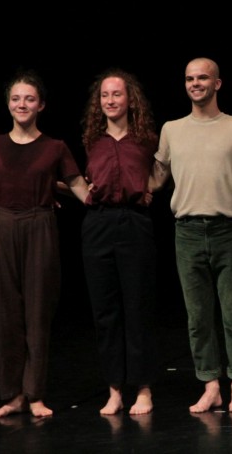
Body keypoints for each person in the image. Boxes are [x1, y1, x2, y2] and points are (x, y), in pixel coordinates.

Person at [149, 57, 232, 413]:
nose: (195, 83)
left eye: (202, 78)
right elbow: (156, 180)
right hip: (187, 232)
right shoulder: (172, 129)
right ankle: (210, 385)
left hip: (229, 231)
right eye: (189, 78)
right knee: (198, 317)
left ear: (217, 83)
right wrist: (109, 185)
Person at [0, 69, 90, 418]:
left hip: (39, 225)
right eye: (16, 98)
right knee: (4, 311)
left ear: (41, 105)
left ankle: (34, 393)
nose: (22, 104)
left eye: (29, 99)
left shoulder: (55, 147)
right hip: (0, 225)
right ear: (8, 103)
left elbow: (80, 188)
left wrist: (116, 195)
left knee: (38, 309)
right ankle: (12, 395)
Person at [79, 68, 158, 415]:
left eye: (117, 94)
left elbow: (160, 171)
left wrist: (149, 187)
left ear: (130, 99)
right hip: (98, 224)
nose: (110, 100)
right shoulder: (91, 140)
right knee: (105, 311)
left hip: (134, 222)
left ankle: (143, 388)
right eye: (105, 95)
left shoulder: (146, 139)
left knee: (137, 307)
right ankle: (114, 389)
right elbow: (83, 179)